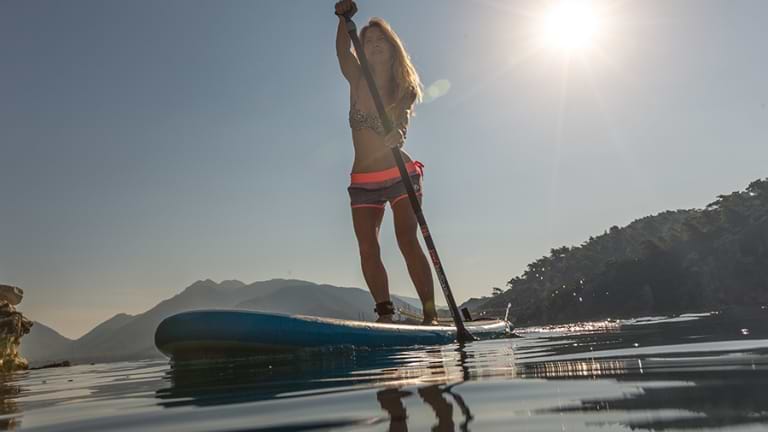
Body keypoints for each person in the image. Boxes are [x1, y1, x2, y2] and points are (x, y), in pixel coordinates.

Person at [335, 0, 438, 325]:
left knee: (406, 239)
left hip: (398, 173)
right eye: (368, 42)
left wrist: (397, 134)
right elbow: (341, 52)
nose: (375, 46)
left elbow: (401, 121)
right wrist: (342, 19)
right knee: (367, 247)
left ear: (392, 49)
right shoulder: (356, 78)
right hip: (363, 179)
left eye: (381, 41)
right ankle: (385, 314)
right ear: (361, 50)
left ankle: (430, 315)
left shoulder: (402, 87)